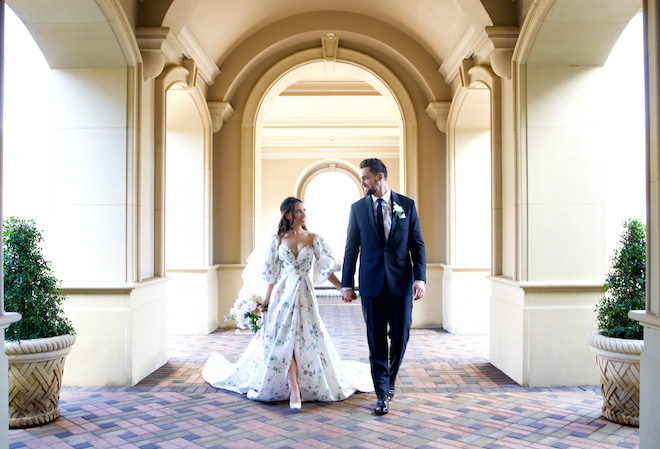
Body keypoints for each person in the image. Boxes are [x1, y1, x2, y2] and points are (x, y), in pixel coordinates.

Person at [203, 197, 372, 409]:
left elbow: (326, 270)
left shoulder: (313, 238)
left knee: (301, 338)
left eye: (304, 210)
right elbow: (272, 273)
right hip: (282, 296)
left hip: (304, 296)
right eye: (299, 211)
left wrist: (343, 288)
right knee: (284, 340)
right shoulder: (277, 240)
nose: (304, 214)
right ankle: (294, 388)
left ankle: (300, 385)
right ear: (288, 214)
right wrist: (266, 299)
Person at [341, 158, 426, 415]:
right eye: (361, 178)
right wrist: (347, 283)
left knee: (400, 338)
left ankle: (389, 380)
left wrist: (420, 278)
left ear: (379, 177)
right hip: (371, 285)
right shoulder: (358, 209)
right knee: (376, 342)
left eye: (365, 177)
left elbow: (417, 245)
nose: (362, 182)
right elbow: (351, 248)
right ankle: (382, 393)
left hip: (401, 284)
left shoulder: (407, 205)